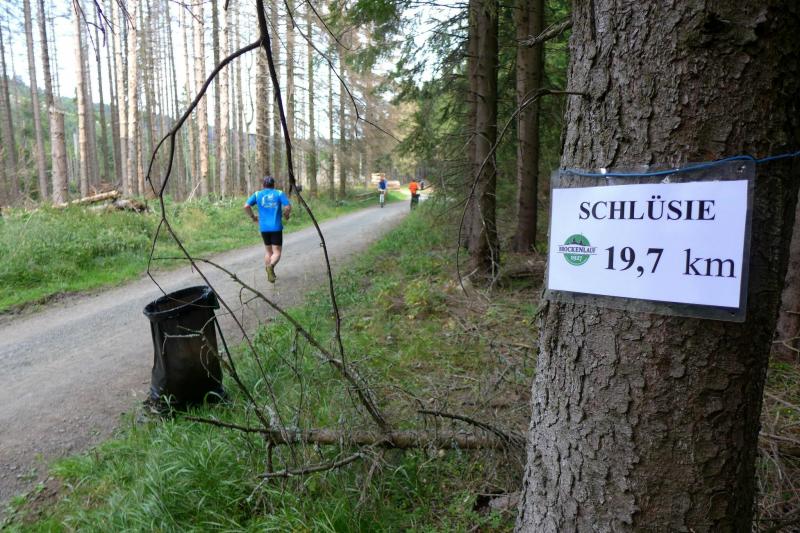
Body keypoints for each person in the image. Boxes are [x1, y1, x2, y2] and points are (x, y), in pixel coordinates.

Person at [244, 176, 292, 283]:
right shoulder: (279, 193)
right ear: (273, 184)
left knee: (268, 251)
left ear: (263, 185)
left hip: (264, 228)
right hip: (276, 227)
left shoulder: (257, 194)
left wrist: (253, 217)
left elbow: (246, 206)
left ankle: (270, 273)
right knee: (277, 252)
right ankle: (270, 267)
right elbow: (287, 207)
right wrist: (286, 215)